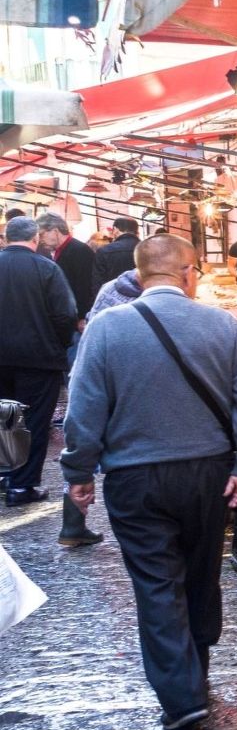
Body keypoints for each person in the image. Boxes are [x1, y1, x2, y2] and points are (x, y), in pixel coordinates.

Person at [62, 233, 237, 730]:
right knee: (201, 573)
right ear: (189, 272)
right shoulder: (223, 325)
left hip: (133, 478)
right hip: (208, 472)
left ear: (136, 276)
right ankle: (196, 671)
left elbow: (84, 405)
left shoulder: (106, 328)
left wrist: (79, 471)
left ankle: (182, 698)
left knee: (157, 584)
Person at [0, 214, 78, 511]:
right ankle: (22, 484)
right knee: (33, 420)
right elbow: (65, 314)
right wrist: (57, 344)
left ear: (6, 238)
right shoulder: (46, 267)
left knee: (5, 416)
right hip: (38, 357)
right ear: (35, 239)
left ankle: (7, 474)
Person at [33, 212, 102, 545]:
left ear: (53, 231)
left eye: (42, 233)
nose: (40, 238)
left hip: (77, 337)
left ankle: (73, 523)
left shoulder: (74, 254)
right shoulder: (52, 258)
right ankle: (73, 524)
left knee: (80, 409)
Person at [93, 216, 141, 287]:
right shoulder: (147, 248)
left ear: (115, 229)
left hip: (113, 295)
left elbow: (98, 282)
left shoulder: (104, 251)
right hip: (143, 295)